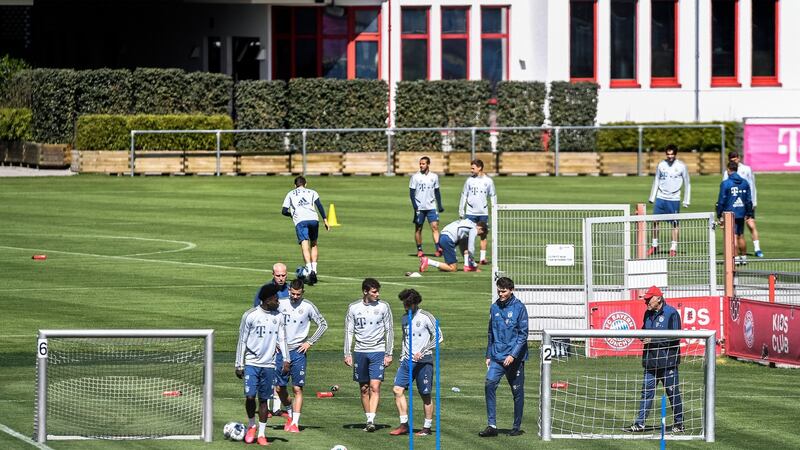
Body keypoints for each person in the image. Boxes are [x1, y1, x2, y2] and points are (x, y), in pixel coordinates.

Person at [235, 284, 290, 446]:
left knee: (264, 400)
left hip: (269, 364)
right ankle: (252, 425)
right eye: (275, 299)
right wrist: (239, 364)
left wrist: (286, 359)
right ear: (267, 300)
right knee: (250, 396)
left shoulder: (278, 317)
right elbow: (242, 340)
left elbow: (282, 339)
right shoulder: (250, 315)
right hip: (251, 363)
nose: (278, 301)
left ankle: (261, 434)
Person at [272, 278, 328, 433]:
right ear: (289, 290)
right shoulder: (280, 303)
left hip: (298, 352)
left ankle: (295, 423)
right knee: (279, 388)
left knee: (297, 388)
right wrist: (273, 341)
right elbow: (270, 320)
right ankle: (289, 412)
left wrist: (309, 342)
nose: (295, 297)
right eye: (293, 293)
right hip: (281, 352)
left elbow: (323, 324)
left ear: (303, 292)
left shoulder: (308, 306)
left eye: (298, 294)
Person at [626, 286, 684, 433]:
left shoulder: (671, 313)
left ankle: (679, 423)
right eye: (645, 299)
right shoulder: (647, 313)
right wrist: (641, 335)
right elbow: (645, 330)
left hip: (667, 363)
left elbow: (675, 337)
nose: (646, 302)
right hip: (650, 362)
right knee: (646, 393)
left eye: (648, 299)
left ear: (658, 298)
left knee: (672, 393)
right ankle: (640, 424)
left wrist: (653, 339)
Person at [389, 289, 443, 437]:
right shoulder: (404, 318)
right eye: (404, 304)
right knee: (397, 390)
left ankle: (427, 427)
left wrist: (424, 350)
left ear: (415, 303)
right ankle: (404, 425)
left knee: (425, 394)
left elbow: (439, 337)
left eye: (407, 304)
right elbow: (405, 339)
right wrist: (402, 356)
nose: (405, 307)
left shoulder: (426, 317)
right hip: (407, 362)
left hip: (423, 362)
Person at [479, 277, 528, 437]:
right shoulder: (494, 307)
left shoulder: (519, 308)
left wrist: (513, 355)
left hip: (514, 359)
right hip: (497, 356)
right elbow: (490, 333)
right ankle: (492, 425)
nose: (500, 294)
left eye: (504, 291)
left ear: (511, 290)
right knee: (489, 384)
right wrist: (488, 354)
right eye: (499, 291)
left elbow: (523, 335)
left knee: (517, 392)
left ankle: (516, 427)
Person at [344, 278, 394, 432]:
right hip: (360, 351)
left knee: (375, 386)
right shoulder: (353, 307)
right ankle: (368, 419)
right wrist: (347, 353)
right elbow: (349, 331)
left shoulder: (384, 307)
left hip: (378, 351)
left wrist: (389, 353)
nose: (377, 294)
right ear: (365, 292)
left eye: (378, 291)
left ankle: (371, 420)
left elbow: (390, 330)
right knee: (364, 388)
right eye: (374, 292)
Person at [282, 176, 330, 286]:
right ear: (306, 184)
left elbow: (284, 211)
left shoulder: (290, 194)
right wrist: (325, 220)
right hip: (314, 219)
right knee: (314, 244)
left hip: (301, 220)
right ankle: (315, 270)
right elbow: (319, 205)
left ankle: (309, 270)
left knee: (305, 245)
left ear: (295, 185)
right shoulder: (312, 192)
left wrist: (292, 214)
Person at [648, 144, 691, 257]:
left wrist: (686, 200)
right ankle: (654, 245)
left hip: (674, 198)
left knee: (674, 223)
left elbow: (687, 183)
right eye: (668, 154)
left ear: (675, 154)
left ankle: (673, 247)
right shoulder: (661, 165)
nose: (670, 156)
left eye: (672, 154)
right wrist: (652, 197)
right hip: (661, 197)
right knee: (655, 221)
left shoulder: (681, 166)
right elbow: (656, 180)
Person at [724, 151, 763, 257]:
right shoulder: (727, 171)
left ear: (739, 158)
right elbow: (725, 188)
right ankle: (739, 253)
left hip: (747, 202)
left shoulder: (747, 169)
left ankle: (757, 249)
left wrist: (753, 201)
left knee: (751, 225)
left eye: (735, 158)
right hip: (735, 204)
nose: (734, 161)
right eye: (732, 159)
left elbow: (752, 185)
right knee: (737, 231)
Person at [458, 159, 496, 265]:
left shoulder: (488, 181)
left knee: (483, 234)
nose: (471, 170)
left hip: (483, 212)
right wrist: (461, 209)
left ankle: (482, 258)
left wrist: (494, 208)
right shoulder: (469, 181)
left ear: (479, 168)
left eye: (473, 168)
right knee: (468, 235)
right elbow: (464, 195)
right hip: (470, 212)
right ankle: (468, 257)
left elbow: (493, 195)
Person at [717, 161, 754, 265]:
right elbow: (748, 200)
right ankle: (744, 258)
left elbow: (721, 200)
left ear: (728, 169)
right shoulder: (745, 182)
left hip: (729, 213)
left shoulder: (725, 183)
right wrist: (749, 213)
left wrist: (719, 214)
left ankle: (736, 258)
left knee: (732, 236)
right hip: (741, 212)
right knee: (740, 235)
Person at [419, 218, 487, 273]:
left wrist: (470, 264)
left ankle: (467, 266)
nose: (478, 235)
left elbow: (463, 246)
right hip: (448, 239)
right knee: (453, 268)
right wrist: (474, 263)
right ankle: (428, 261)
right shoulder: (474, 229)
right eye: (480, 234)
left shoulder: (468, 222)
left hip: (443, 236)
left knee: (464, 240)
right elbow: (471, 248)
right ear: (480, 228)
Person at [410, 156, 445, 258]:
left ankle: (438, 249)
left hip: (431, 207)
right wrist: (415, 206)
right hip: (419, 207)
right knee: (418, 229)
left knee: (435, 227)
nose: (421, 165)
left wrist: (439, 205)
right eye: (420, 164)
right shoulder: (415, 177)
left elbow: (437, 191)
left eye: (423, 164)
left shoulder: (434, 177)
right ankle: (420, 249)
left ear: (428, 164)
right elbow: (411, 193)